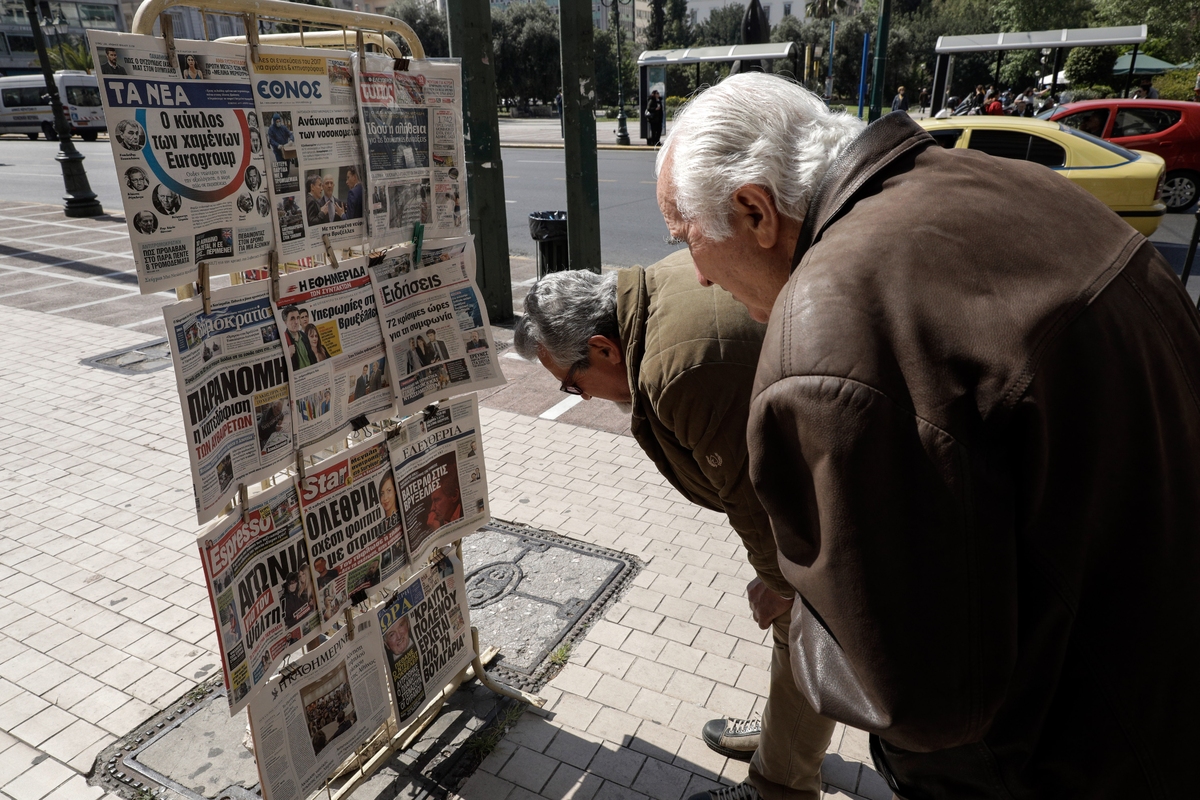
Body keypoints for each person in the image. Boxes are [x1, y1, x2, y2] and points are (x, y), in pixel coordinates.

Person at [655, 72, 1200, 800]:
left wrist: (812, 605)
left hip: (1062, 761)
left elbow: (915, 698)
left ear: (755, 210)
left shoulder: (827, 326)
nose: (698, 276)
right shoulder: (1014, 182)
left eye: (689, 239)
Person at [514, 252, 836, 800]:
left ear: (602, 349)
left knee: (801, 625)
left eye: (574, 384)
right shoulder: (656, 284)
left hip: (838, 483)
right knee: (798, 619)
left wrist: (782, 584)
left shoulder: (676, 372)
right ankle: (782, 741)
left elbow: (754, 498)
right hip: (823, 458)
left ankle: (779, 785)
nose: (584, 397)